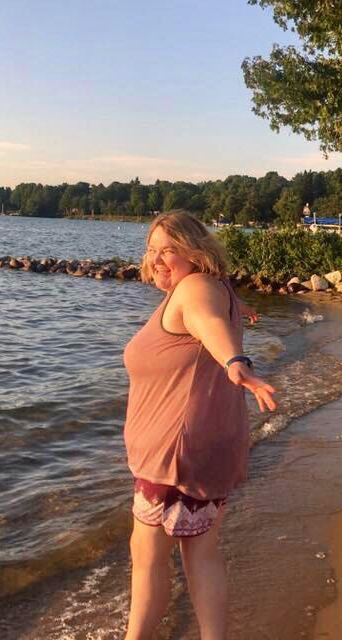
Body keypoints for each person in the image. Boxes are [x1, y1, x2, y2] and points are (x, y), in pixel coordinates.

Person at [122, 210, 276, 640]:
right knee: (201, 553)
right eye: (151, 249)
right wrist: (238, 306)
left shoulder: (191, 290)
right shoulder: (212, 286)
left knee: (148, 556)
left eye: (167, 250)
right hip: (210, 446)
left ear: (195, 251)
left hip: (175, 453)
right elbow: (210, 312)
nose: (155, 258)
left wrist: (235, 361)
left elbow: (206, 323)